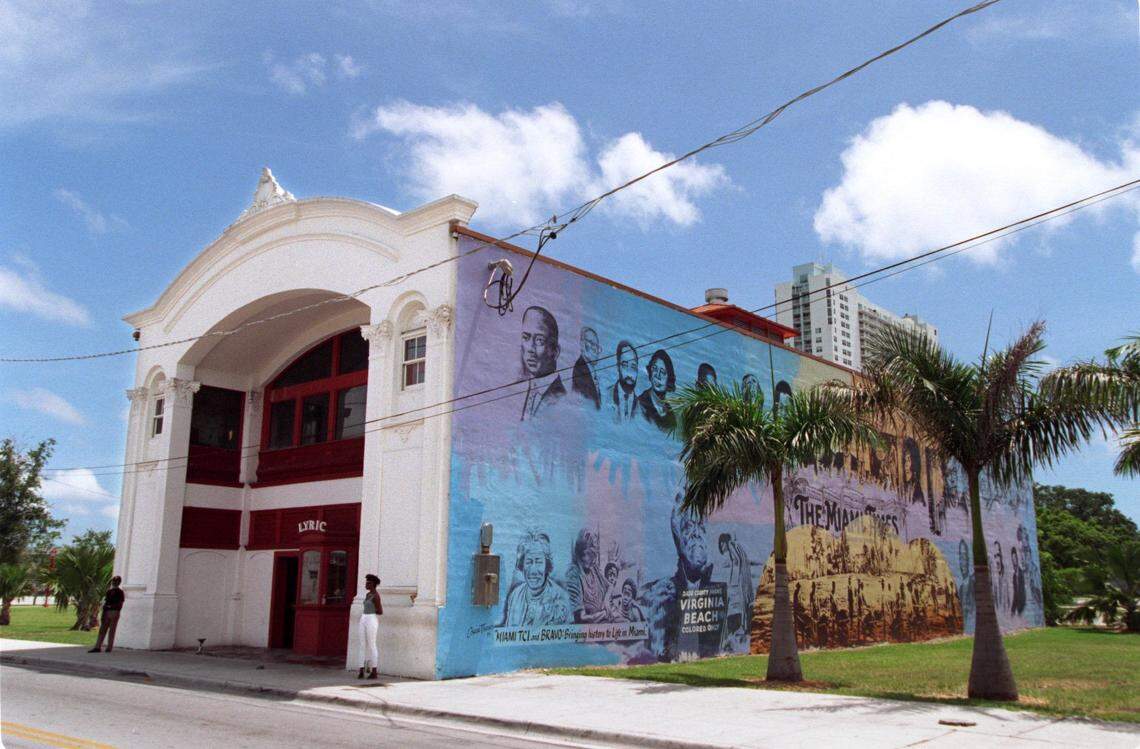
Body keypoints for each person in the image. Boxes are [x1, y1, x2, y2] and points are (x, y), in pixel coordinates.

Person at [502, 531, 572, 627]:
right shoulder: (515, 596)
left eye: (538, 562)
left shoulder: (561, 598)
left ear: (546, 565)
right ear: (522, 565)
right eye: (529, 562)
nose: (533, 570)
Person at [519, 306, 566, 420]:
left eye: (539, 340)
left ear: (555, 351)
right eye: (526, 337)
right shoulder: (520, 391)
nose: (530, 348)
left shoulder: (561, 398)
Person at [565, 529, 608, 623]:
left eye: (595, 555)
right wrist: (605, 613)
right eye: (591, 554)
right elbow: (581, 618)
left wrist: (607, 602)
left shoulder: (594, 569)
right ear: (581, 553)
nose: (594, 559)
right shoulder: (574, 575)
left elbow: (609, 588)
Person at [636, 349, 677, 432]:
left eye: (662, 372)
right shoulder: (641, 403)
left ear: (669, 377)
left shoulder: (669, 410)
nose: (657, 376)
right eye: (654, 369)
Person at [89, 576, 124, 653]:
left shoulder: (120, 592)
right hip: (108, 611)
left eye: (116, 581)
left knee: (112, 630)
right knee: (103, 629)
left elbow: (120, 604)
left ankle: (109, 647)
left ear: (118, 583)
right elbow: (106, 602)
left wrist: (111, 607)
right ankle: (98, 646)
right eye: (114, 581)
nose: (114, 583)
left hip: (114, 611)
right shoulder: (109, 592)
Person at [358, 573, 383, 679]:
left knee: (372, 644)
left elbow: (380, 611)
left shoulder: (376, 596)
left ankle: (374, 670)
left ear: (373, 584)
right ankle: (361, 670)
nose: (366, 584)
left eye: (368, 583)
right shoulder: (367, 595)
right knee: (362, 645)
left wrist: (372, 610)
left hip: (371, 619)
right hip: (363, 618)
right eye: (366, 582)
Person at [571, 326, 602, 409]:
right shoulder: (580, 369)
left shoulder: (591, 371)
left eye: (597, 346)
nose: (595, 349)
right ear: (582, 345)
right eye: (592, 344)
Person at [610, 341, 639, 422]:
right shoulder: (606, 397)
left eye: (633, 366)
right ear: (618, 367)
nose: (629, 373)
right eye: (625, 365)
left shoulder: (640, 406)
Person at [1010, 547, 1026, 616]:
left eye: (1015, 559)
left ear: (1017, 559)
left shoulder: (1021, 573)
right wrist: (1013, 609)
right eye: (1012, 559)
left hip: (1022, 604)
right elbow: (1015, 593)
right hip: (1017, 605)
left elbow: (1022, 592)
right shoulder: (1014, 576)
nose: (1014, 561)